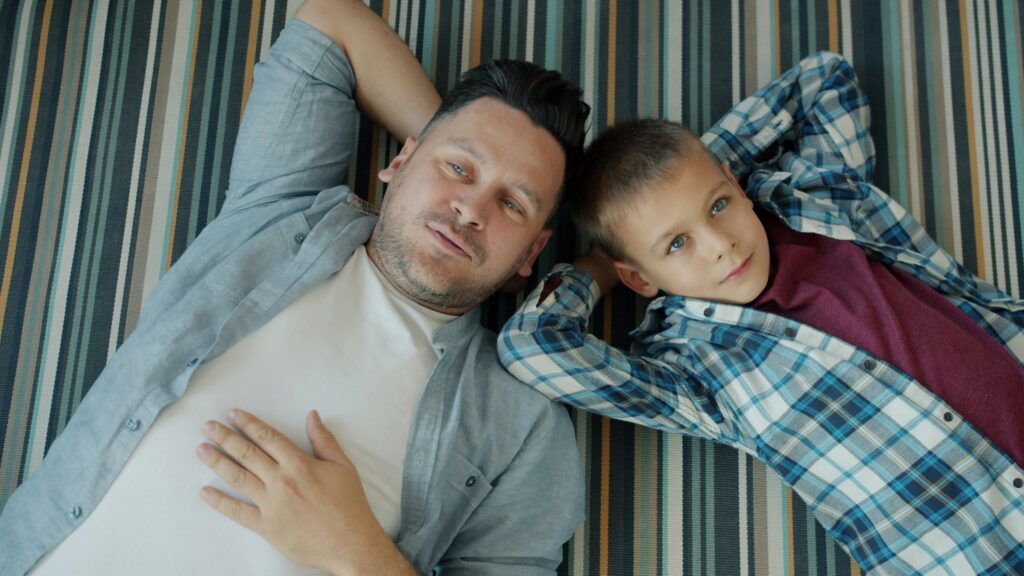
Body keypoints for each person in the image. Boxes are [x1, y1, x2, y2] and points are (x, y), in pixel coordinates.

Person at [0, 0, 591, 574]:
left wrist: (357, 554)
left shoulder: (523, 424)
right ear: (400, 160)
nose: (470, 209)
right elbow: (333, 21)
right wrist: (450, 137)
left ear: (531, 253)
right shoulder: (278, 208)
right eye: (458, 168)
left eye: (511, 204)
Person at [499, 51, 1024, 574]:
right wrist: (599, 269)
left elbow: (825, 79)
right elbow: (531, 347)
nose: (720, 245)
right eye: (677, 243)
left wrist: (696, 166)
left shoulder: (816, 201)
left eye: (718, 206)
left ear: (735, 184)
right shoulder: (699, 375)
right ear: (639, 278)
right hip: (979, 556)